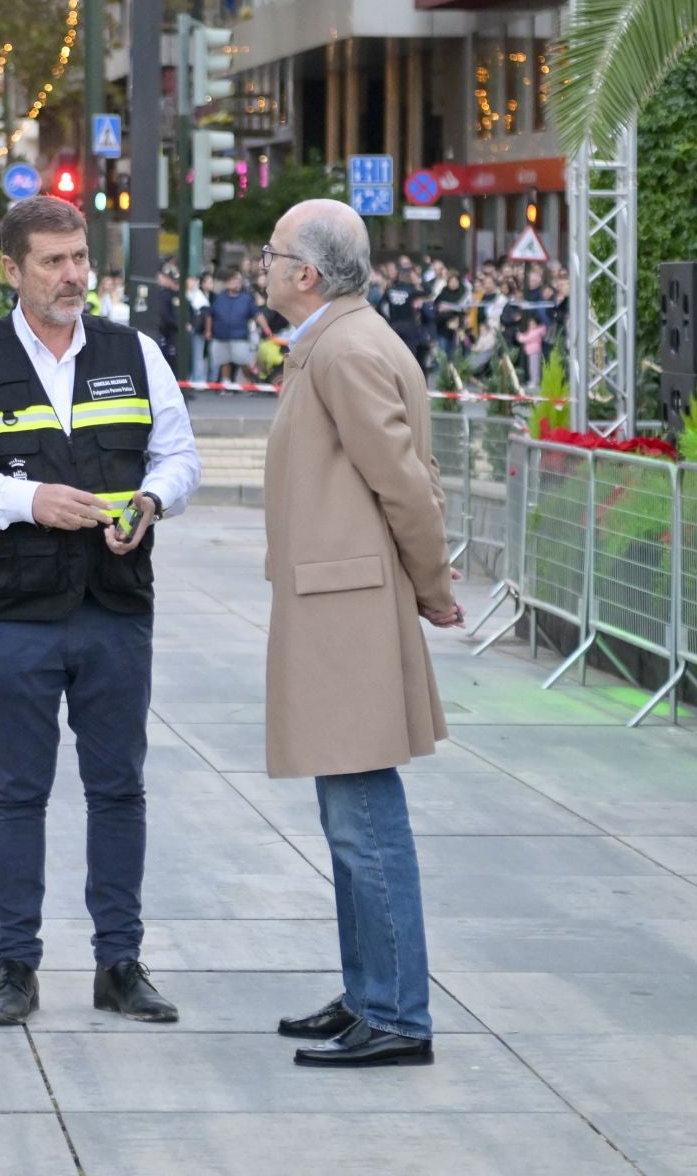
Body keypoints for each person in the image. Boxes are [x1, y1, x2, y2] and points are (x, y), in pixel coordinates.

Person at [0, 196, 201, 1028]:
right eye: (53, 261)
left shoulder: (133, 351)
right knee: (18, 792)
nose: (74, 275)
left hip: (116, 608)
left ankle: (120, 961)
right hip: (17, 613)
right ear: (12, 270)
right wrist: (28, 499)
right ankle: (16, 966)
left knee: (119, 790)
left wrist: (152, 499)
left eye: (80, 258)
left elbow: (177, 455)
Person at [259, 199, 460, 1068]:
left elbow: (405, 483)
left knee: (365, 821)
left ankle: (397, 1014)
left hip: (348, 607)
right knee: (349, 821)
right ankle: (369, 992)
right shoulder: (339, 341)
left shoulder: (343, 349)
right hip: (337, 602)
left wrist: (435, 583)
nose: (261, 266)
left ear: (306, 273)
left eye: (272, 254)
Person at [207, 269, 258, 383]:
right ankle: (226, 382)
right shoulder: (220, 297)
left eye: (238, 281)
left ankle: (250, 381)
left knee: (243, 360)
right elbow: (211, 314)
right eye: (233, 281)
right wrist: (208, 330)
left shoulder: (246, 298)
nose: (235, 284)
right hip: (221, 335)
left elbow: (257, 315)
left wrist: (266, 330)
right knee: (223, 360)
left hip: (239, 335)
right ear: (227, 283)